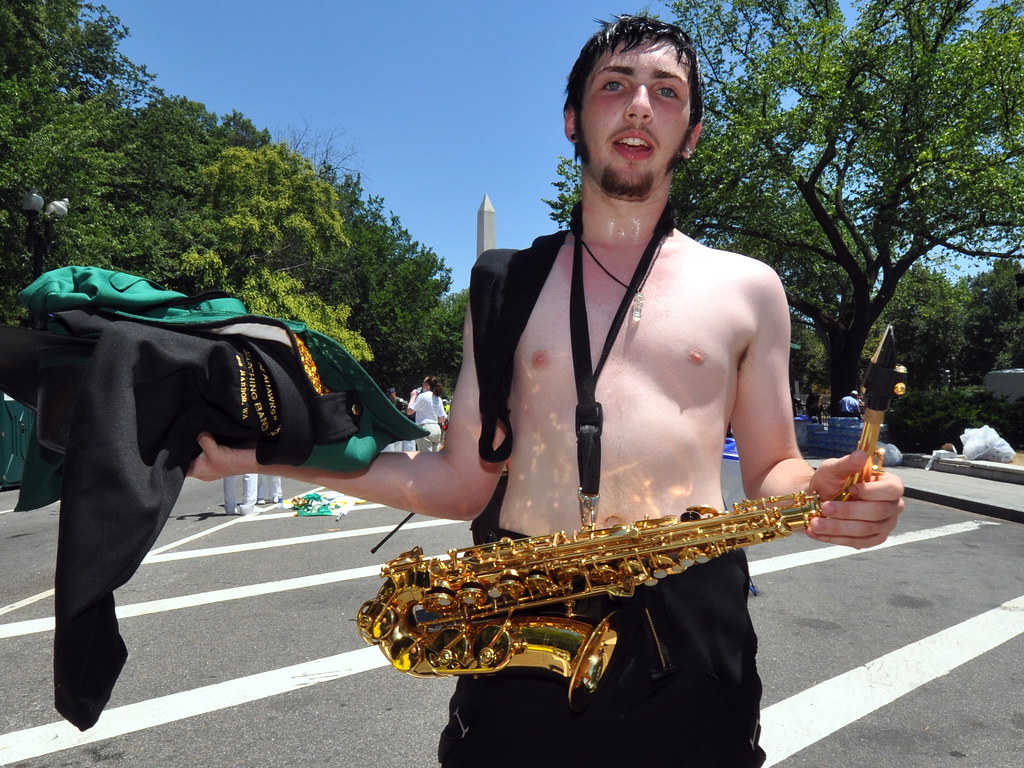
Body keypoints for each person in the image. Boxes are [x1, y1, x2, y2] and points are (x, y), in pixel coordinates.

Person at [190, 15, 903, 766]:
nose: (638, 105)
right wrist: (266, 455)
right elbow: (460, 481)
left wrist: (826, 485)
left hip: (691, 621)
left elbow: (771, 469)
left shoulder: (751, 289)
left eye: (667, 92)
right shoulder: (502, 284)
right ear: (573, 119)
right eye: (614, 85)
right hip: (522, 615)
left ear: (690, 133)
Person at [406, 375, 447, 452]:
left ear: (427, 385)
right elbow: (442, 419)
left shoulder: (422, 396)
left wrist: (413, 396)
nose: (422, 384)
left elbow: (409, 411)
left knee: (426, 459)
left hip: (425, 429)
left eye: (423, 382)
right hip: (436, 429)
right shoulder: (438, 398)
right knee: (435, 458)